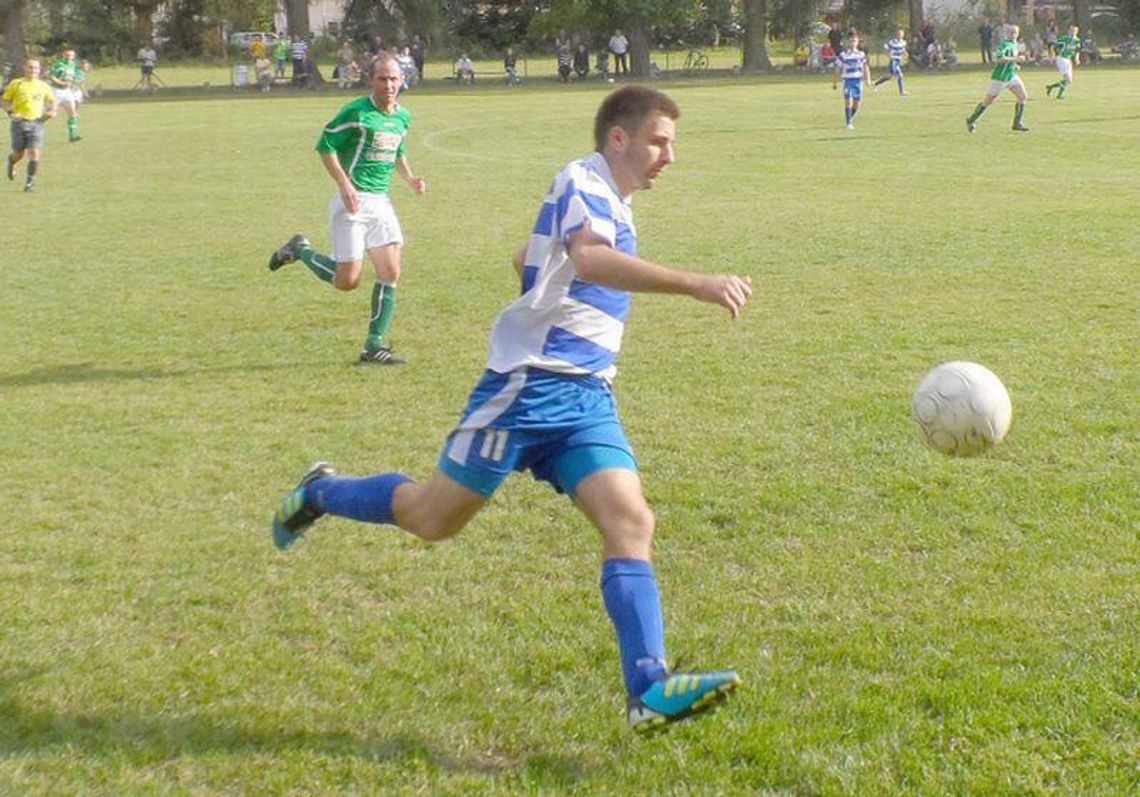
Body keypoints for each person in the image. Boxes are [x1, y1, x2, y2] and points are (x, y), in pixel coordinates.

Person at [269, 85, 751, 733]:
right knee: (430, 517)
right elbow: (590, 257)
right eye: (660, 141)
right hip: (528, 387)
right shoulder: (585, 179)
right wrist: (698, 283)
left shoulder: (609, 196)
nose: (670, 156)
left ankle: (648, 687)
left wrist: (538, 283)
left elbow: (530, 256)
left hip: (585, 395)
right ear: (619, 138)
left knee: (631, 519)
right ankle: (321, 492)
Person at [267, 54, 426, 364]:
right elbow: (325, 146)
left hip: (380, 202)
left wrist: (410, 179)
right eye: (382, 79)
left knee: (391, 271)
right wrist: (344, 184)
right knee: (347, 281)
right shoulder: (356, 112)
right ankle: (300, 250)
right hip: (352, 202)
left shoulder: (402, 117)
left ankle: (373, 344)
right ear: (371, 79)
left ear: (402, 80)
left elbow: (397, 152)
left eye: (394, 79)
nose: (389, 84)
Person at [3, 58, 57, 192]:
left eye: (36, 68)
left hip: (37, 123)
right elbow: (4, 101)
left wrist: (52, 110)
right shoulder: (16, 84)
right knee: (19, 154)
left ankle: (29, 183)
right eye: (30, 67)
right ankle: (11, 161)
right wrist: (11, 113)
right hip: (19, 123)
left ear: (39, 70)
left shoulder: (43, 86)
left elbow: (52, 101)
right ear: (24, 68)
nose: (33, 70)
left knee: (34, 152)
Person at [966, 23, 1029, 133]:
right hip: (1000, 78)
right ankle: (971, 120)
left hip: (1011, 76)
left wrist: (1015, 66)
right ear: (1007, 33)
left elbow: (1011, 61)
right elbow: (999, 59)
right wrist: (1015, 59)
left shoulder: (1015, 44)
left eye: (1015, 33)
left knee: (1023, 96)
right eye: (1011, 32)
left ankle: (1017, 123)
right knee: (988, 101)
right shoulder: (1004, 44)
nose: (1013, 35)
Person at [833, 31, 871, 130]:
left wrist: (868, 80)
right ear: (848, 43)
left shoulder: (861, 54)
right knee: (848, 101)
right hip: (848, 80)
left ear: (857, 42)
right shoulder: (843, 55)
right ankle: (849, 123)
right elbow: (837, 68)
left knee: (857, 103)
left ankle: (849, 118)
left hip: (858, 81)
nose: (852, 43)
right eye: (850, 41)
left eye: (854, 41)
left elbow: (865, 67)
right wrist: (835, 82)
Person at [48, 47, 81, 142]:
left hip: (66, 91)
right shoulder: (59, 64)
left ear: (73, 56)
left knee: (73, 113)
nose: (69, 57)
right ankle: (36, 125)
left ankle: (73, 135)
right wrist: (62, 83)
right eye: (67, 55)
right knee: (51, 114)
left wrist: (72, 82)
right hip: (55, 90)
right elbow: (51, 76)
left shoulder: (73, 64)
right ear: (63, 55)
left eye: (71, 55)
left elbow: (72, 77)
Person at [1046, 25, 1080, 98]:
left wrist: (1077, 58)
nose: (1073, 32)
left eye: (1074, 31)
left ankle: (1051, 87)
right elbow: (1052, 46)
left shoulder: (1077, 40)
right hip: (1062, 59)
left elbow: (1077, 50)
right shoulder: (1065, 39)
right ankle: (1059, 95)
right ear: (1068, 31)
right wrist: (1052, 56)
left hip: (1068, 60)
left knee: (1068, 80)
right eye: (1071, 31)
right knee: (1068, 79)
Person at [873, 28, 909, 94]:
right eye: (898, 34)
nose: (899, 35)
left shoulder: (904, 43)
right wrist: (889, 55)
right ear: (896, 34)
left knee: (891, 76)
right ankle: (902, 91)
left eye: (901, 34)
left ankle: (877, 83)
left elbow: (903, 51)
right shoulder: (892, 42)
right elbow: (886, 47)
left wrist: (905, 55)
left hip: (898, 61)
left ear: (903, 35)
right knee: (899, 75)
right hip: (893, 61)